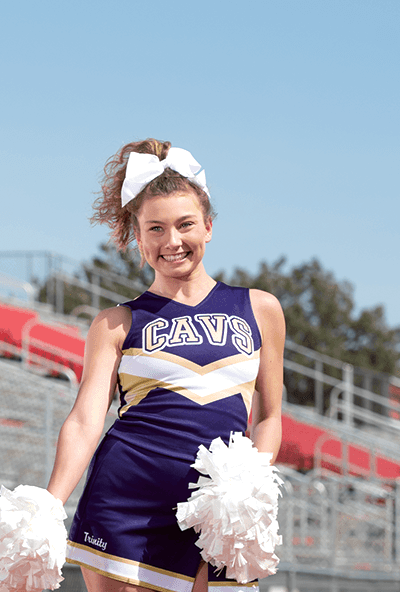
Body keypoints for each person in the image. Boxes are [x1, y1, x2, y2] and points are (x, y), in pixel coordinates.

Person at [45, 139, 285, 592]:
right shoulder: (116, 323)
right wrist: (49, 505)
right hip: (126, 507)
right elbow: (84, 421)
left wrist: (249, 483)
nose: (171, 241)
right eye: (155, 229)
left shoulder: (260, 309)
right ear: (138, 239)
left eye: (185, 224)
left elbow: (269, 417)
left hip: (220, 511)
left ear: (208, 227)